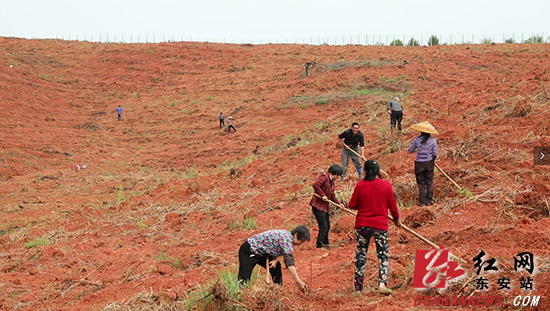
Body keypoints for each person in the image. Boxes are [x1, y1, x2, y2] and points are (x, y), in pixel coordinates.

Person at [348, 160, 401, 295]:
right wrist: (397, 220)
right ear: (378, 171)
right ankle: (382, 284)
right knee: (383, 255)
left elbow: (352, 204)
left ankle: (358, 289)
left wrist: (365, 204)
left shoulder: (360, 185)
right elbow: (393, 206)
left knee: (361, 255)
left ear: (365, 171)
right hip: (380, 225)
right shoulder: (386, 185)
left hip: (362, 225)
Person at [238, 226, 310, 291]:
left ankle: (278, 290)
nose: (300, 244)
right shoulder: (286, 240)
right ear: (296, 235)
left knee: (276, 267)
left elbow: (273, 245)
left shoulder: (286, 236)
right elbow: (290, 263)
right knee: (244, 279)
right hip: (249, 250)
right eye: (301, 241)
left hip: (263, 253)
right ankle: (241, 296)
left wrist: (275, 259)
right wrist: (298, 281)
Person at [309, 164, 343, 248]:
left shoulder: (332, 183)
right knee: (323, 226)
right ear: (336, 174)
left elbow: (332, 195)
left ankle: (326, 243)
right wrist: (323, 195)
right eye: (338, 176)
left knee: (327, 226)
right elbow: (315, 185)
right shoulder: (324, 177)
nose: (338, 178)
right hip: (318, 206)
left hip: (324, 207)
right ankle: (319, 245)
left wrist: (339, 204)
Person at [408, 121, 439, 206]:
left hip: (419, 164)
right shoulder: (433, 140)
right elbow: (435, 154)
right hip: (429, 163)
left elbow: (410, 150)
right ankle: (429, 200)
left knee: (421, 183)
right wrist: (432, 160)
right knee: (429, 182)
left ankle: (422, 203)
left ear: (421, 131)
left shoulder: (417, 140)